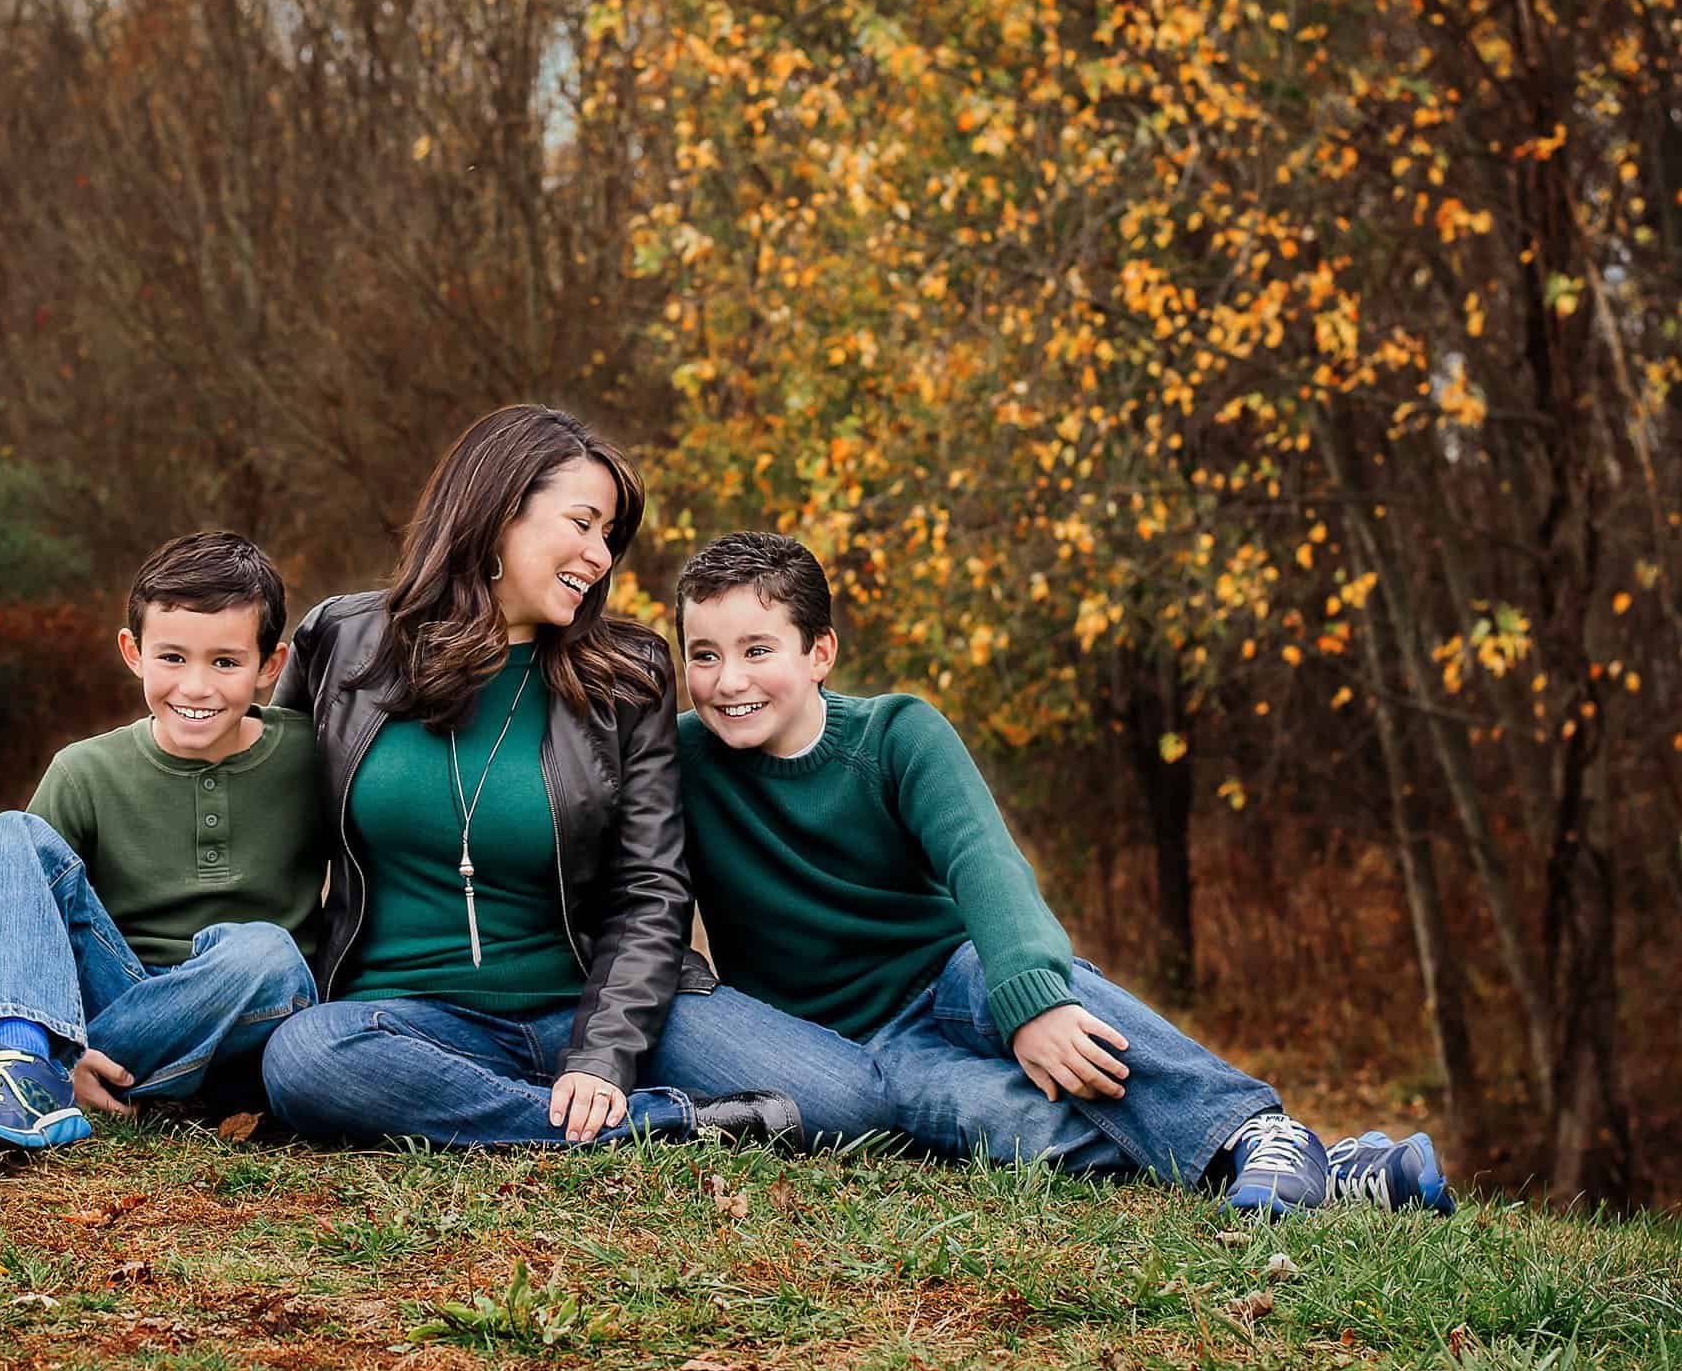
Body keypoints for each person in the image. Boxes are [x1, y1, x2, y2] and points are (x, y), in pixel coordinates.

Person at [645, 531, 1455, 1215]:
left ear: (819, 651)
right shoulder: (679, 761)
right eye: (704, 655)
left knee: (1065, 1024)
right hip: (855, 1044)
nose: (728, 681)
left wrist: (1030, 999)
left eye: (757, 650)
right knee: (974, 1113)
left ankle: (1256, 1129)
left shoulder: (896, 735)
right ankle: (1326, 1169)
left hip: (950, 973)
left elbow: (985, 864)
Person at [257, 406, 796, 1148]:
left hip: (589, 1008)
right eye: (583, 524)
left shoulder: (628, 674)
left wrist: (603, 1056)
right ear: (497, 510)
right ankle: (661, 1122)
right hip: (403, 1024)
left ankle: (541, 1106)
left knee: (841, 1104)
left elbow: (651, 888)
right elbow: (268, 825)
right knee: (305, 1057)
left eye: (609, 535)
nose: (600, 556)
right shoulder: (341, 642)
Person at [0, 531, 324, 1161]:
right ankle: (23, 1060)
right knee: (10, 832)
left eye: (225, 663)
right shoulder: (85, 771)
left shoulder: (313, 756)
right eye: (172, 657)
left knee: (268, 955)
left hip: (246, 1011)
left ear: (270, 666)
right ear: (133, 652)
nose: (196, 686)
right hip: (111, 982)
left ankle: (13, 1061)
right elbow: (23, 921)